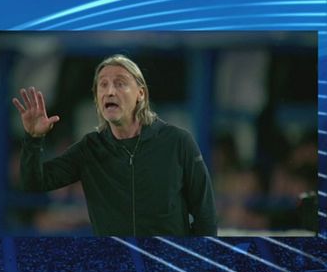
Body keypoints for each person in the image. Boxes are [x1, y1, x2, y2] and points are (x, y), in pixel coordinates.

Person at [12, 54, 217, 236]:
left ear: (141, 94)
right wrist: (33, 139)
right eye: (103, 85)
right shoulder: (89, 149)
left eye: (120, 83)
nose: (110, 91)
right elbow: (34, 183)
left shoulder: (178, 142)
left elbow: (205, 215)